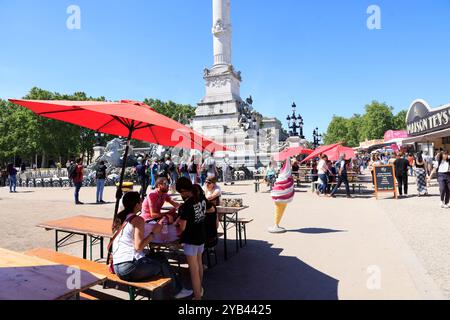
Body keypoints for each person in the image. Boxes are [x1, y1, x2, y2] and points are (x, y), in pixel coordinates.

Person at [111, 191, 192, 299]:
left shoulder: (120, 217)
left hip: (117, 265)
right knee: (162, 266)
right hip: (130, 267)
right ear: (136, 205)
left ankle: (177, 289)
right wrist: (154, 233)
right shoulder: (138, 220)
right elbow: (138, 247)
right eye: (140, 201)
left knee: (160, 256)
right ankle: (176, 291)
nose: (142, 203)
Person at [176, 177, 207, 300]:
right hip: (201, 235)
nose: (181, 195)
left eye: (180, 192)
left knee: (193, 270)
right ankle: (200, 289)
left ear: (183, 190)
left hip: (191, 238)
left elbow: (182, 226)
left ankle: (198, 297)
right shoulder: (200, 197)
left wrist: (177, 231)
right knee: (198, 264)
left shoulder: (187, 205)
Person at [269, 159, 295, 233]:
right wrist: (288, 158)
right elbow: (287, 167)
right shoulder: (285, 168)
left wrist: (288, 158)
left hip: (280, 191)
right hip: (282, 191)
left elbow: (287, 167)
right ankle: (276, 224)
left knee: (279, 208)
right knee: (280, 208)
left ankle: (276, 224)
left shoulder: (284, 168)